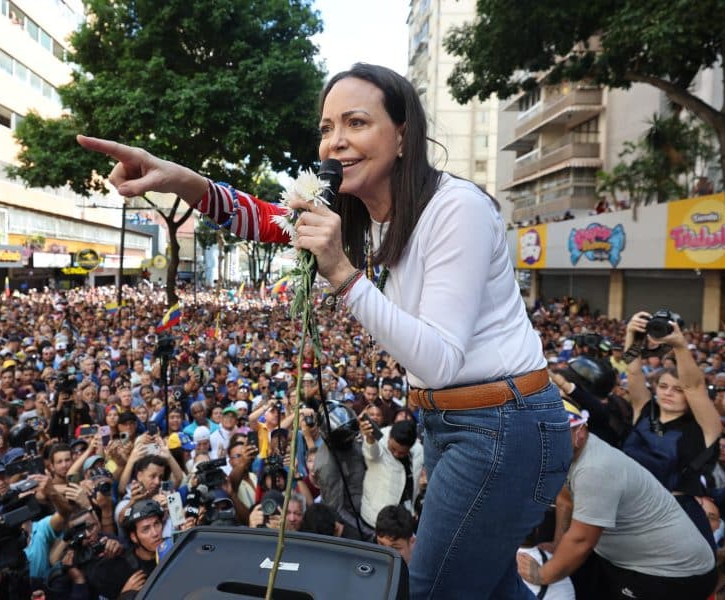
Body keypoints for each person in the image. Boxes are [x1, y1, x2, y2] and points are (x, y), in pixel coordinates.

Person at [78, 61, 571, 598]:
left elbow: (439, 360)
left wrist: (340, 270)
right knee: (491, 589)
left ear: (404, 134)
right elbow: (272, 219)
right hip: (459, 424)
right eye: (326, 128)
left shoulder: (457, 209)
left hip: (502, 428)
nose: (335, 142)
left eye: (356, 123)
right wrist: (181, 179)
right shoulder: (372, 211)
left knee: (431, 590)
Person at [518, 401, 717, 599]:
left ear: (580, 431)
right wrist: (558, 544)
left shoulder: (595, 468)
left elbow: (582, 540)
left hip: (671, 574)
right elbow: (566, 500)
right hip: (640, 561)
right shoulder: (569, 454)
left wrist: (542, 574)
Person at [621, 311, 721, 549]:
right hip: (627, 509)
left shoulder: (705, 427)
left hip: (675, 520)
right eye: (663, 386)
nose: (667, 392)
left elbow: (694, 385)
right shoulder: (644, 411)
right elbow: (633, 371)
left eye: (677, 390)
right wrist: (632, 336)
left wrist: (680, 346)